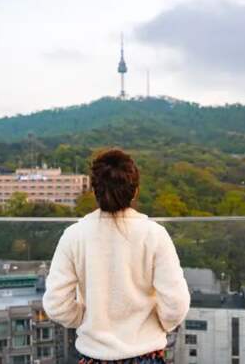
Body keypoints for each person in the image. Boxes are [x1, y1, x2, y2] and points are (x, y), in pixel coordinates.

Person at [43, 149, 190, 363]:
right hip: (146, 355)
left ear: (94, 190)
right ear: (135, 191)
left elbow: (56, 305)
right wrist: (155, 325)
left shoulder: (74, 235)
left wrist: (86, 318)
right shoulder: (155, 234)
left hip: (94, 355)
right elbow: (176, 304)